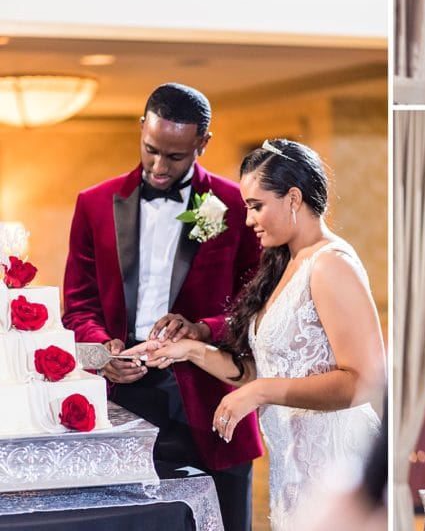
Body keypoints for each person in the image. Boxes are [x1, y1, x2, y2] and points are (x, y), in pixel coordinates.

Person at [128, 139, 385, 531]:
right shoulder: (285, 263)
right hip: (294, 470)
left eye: (256, 206)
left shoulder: (331, 264)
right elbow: (258, 369)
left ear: (294, 198)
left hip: (336, 463)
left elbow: (365, 381)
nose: (249, 220)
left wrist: (261, 392)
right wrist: (190, 351)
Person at [62, 83, 263, 531]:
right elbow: (77, 308)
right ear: (142, 128)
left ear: (202, 143)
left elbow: (257, 304)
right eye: (151, 149)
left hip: (211, 399)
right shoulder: (93, 204)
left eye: (174, 157)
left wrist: (203, 328)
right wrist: (103, 355)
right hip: (121, 398)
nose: (157, 166)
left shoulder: (236, 206)